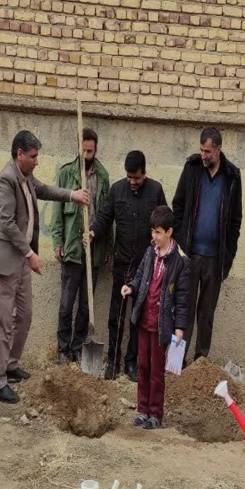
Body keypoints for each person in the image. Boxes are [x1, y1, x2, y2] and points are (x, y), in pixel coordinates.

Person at [0, 130, 89, 404]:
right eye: (33, 157)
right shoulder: (6, 180)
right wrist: (30, 254)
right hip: (8, 260)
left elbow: (43, 190)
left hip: (21, 261)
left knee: (26, 315)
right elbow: (7, 224)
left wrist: (72, 195)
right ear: (19, 154)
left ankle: (10, 365)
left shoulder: (26, 177)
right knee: (4, 320)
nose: (36, 162)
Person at [86, 150, 167, 381]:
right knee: (117, 315)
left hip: (146, 266)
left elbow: (165, 219)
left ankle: (132, 362)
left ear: (144, 172)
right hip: (122, 263)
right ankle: (113, 360)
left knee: (138, 317)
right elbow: (104, 217)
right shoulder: (117, 190)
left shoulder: (155, 190)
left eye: (137, 178)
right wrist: (92, 232)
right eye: (129, 177)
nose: (132, 182)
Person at [172, 126, 242, 363]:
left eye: (208, 151)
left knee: (206, 314)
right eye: (201, 150)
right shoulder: (192, 169)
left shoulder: (232, 176)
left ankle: (200, 362)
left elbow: (235, 221)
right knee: (184, 310)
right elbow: (178, 205)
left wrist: (229, 256)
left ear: (219, 150)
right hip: (190, 255)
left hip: (215, 259)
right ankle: (177, 363)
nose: (203, 155)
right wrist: (181, 246)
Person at [121, 206, 189, 430]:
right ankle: (142, 409)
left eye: (158, 232)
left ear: (169, 232)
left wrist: (179, 327)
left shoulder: (180, 261)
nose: (154, 237)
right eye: (153, 232)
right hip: (144, 320)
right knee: (142, 365)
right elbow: (140, 275)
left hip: (162, 325)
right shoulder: (150, 252)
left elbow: (182, 297)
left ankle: (155, 413)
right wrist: (131, 287)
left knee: (157, 370)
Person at [51, 127, 111, 364]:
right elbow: (57, 210)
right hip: (72, 249)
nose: (87, 155)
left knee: (86, 307)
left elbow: (107, 214)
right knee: (66, 304)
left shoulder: (103, 176)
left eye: (91, 151)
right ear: (78, 148)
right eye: (84, 150)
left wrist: (106, 247)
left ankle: (78, 346)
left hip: (93, 251)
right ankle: (62, 349)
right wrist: (57, 241)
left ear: (96, 150)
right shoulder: (67, 173)